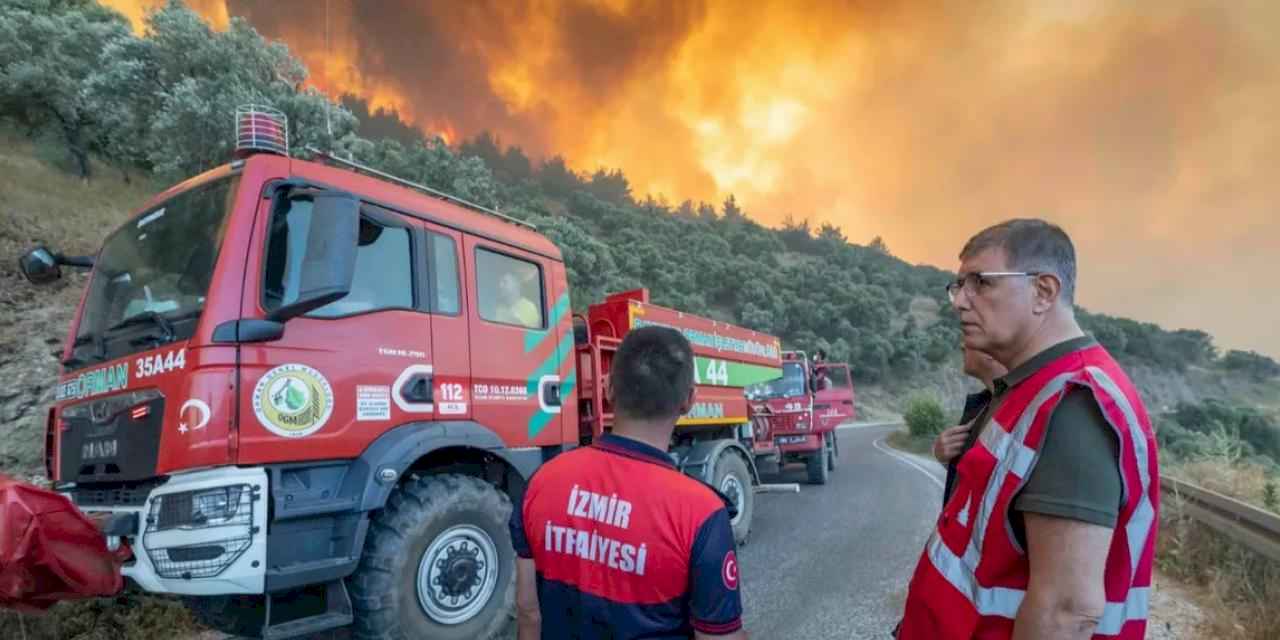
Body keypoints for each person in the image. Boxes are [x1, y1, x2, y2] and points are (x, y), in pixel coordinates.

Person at [895, 218, 1159, 640]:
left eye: (979, 282)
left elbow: (1066, 613)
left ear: (1043, 292)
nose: (959, 301)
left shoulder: (1073, 402)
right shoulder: (1026, 388)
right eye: (958, 285)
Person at [510, 326, 748, 639]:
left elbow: (528, 611)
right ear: (689, 400)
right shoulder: (701, 512)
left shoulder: (541, 482)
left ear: (608, 389)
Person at [932, 347, 1007, 505]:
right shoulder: (980, 405)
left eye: (971, 336)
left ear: (991, 353)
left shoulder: (1023, 407)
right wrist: (947, 459)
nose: (962, 346)